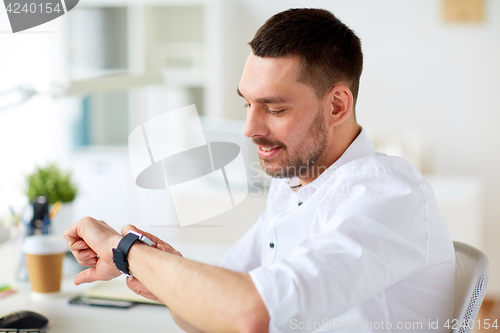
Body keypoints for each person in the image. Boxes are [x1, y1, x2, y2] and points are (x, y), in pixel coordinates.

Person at [64, 8, 455, 333]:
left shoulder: (387, 194)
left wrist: (126, 251)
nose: (250, 129)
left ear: (337, 105)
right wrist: (163, 271)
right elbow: (211, 318)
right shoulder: (290, 185)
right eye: (247, 104)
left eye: (275, 108)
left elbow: (249, 313)